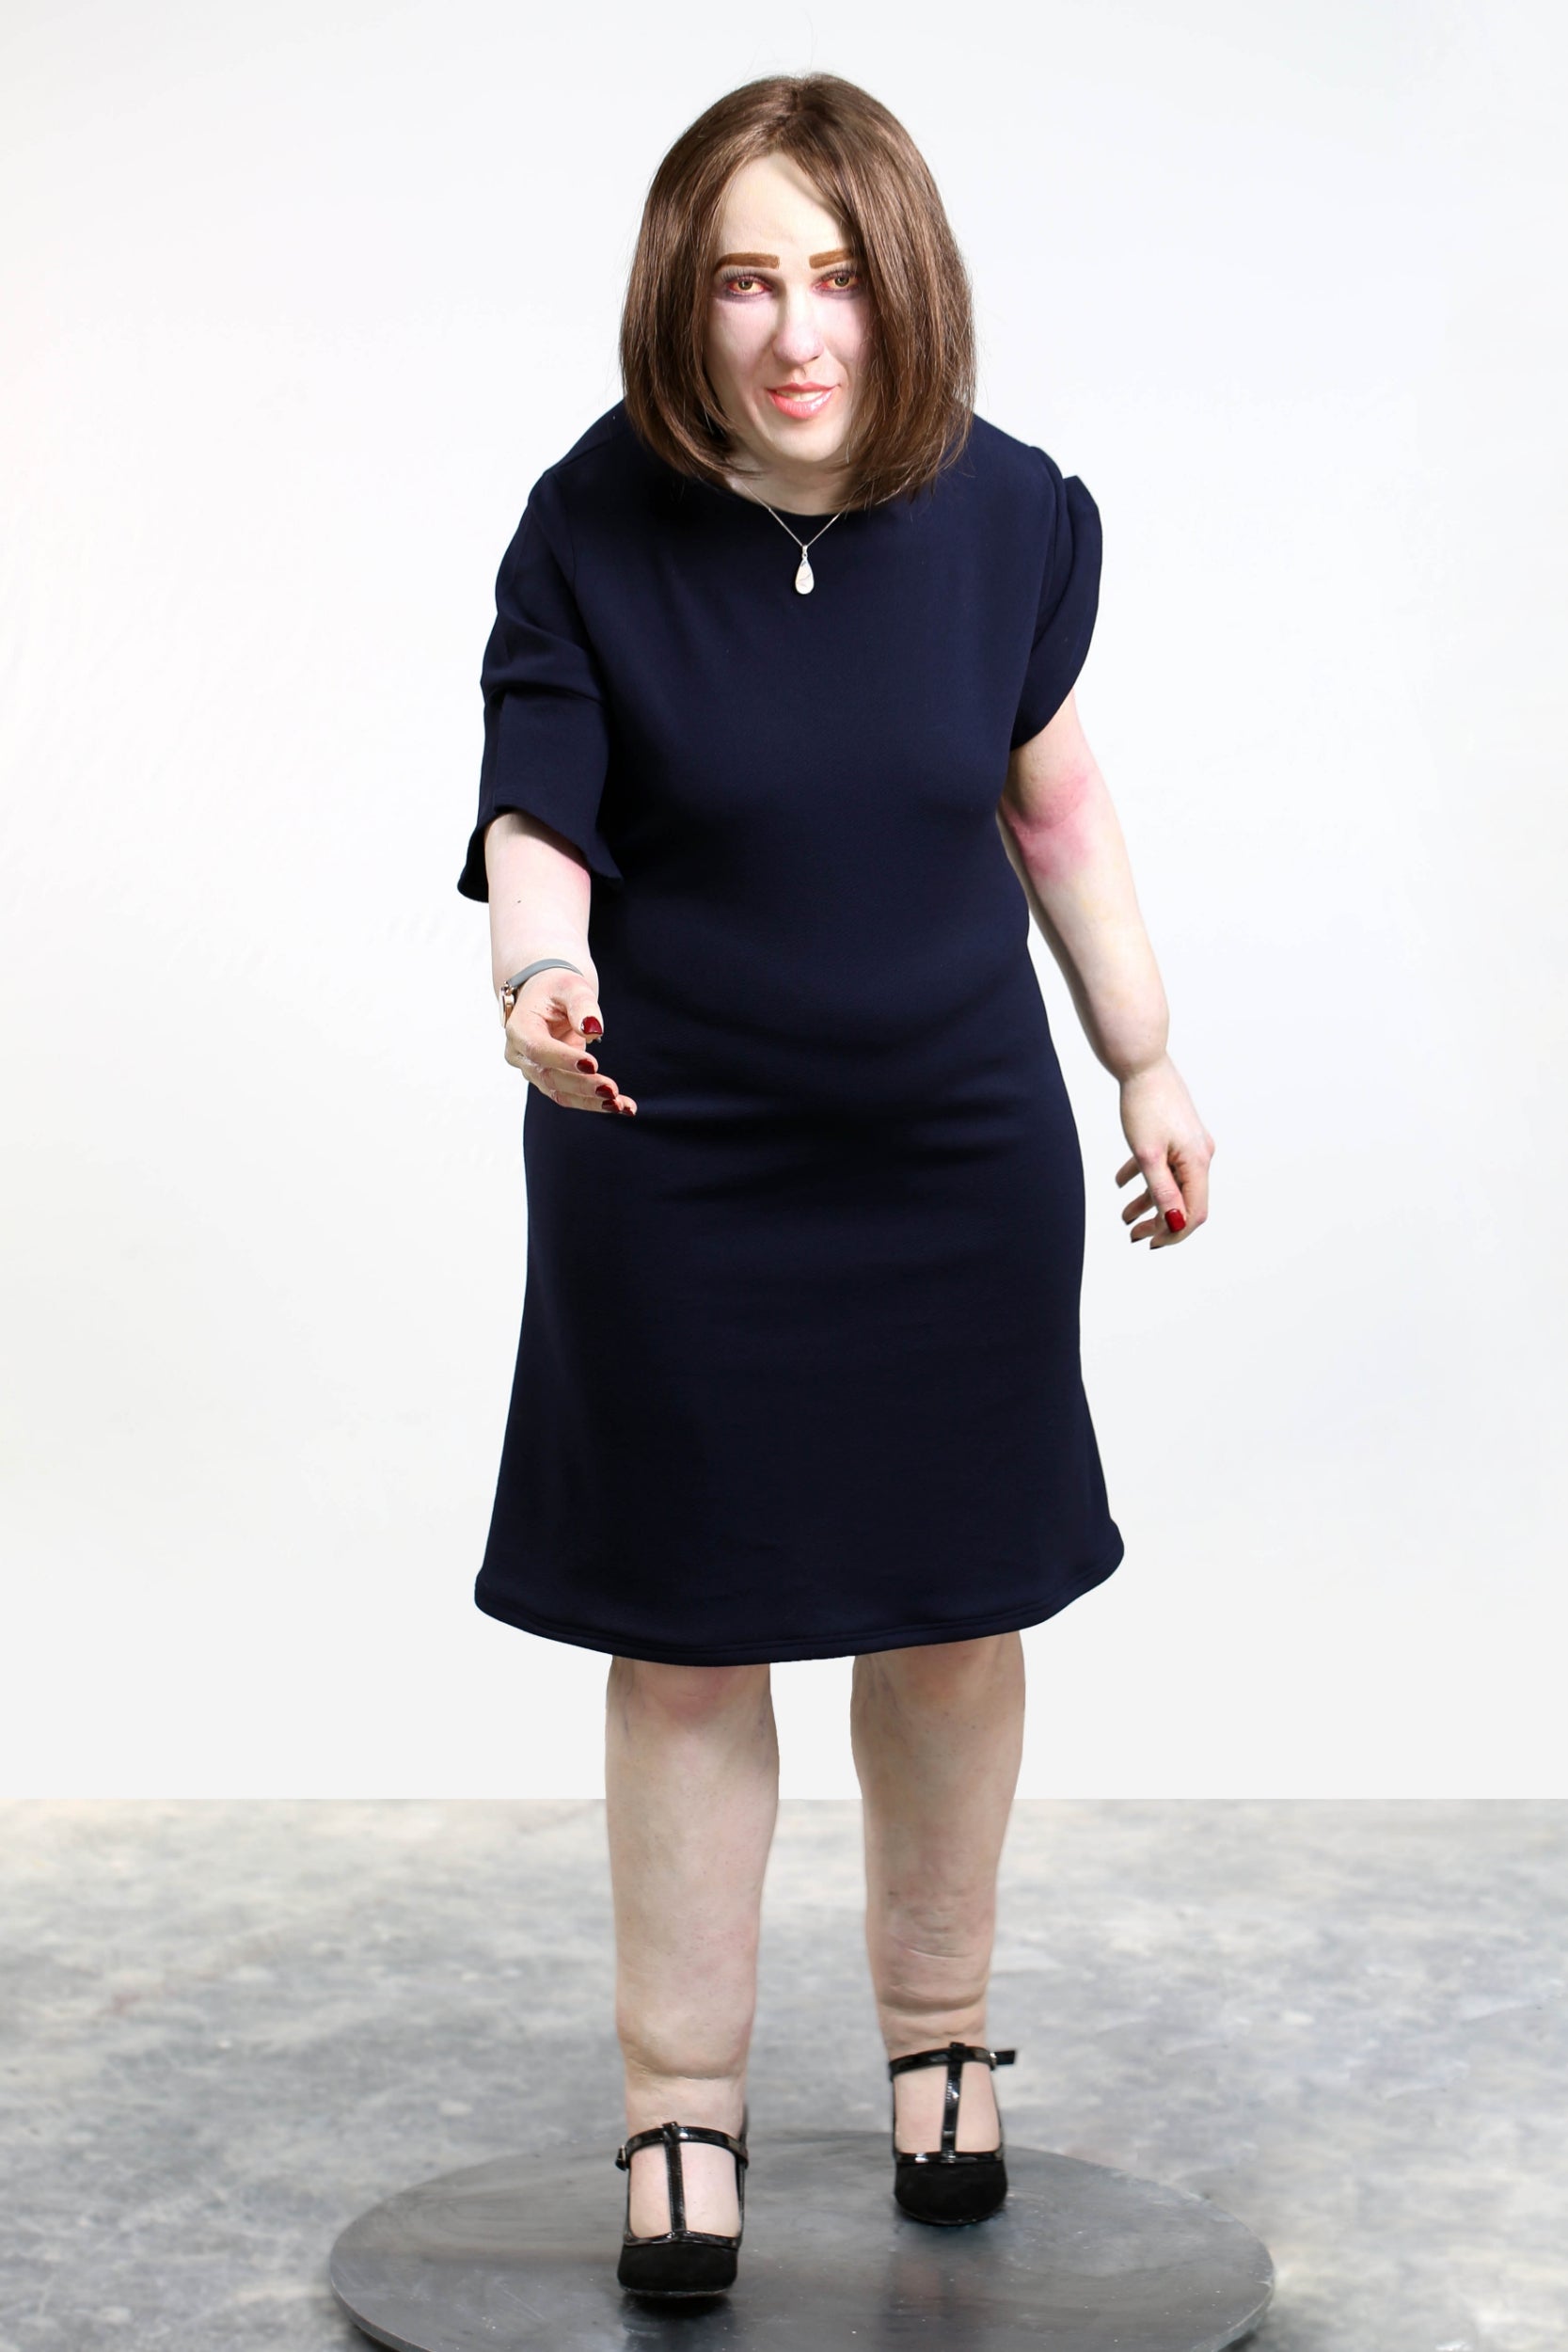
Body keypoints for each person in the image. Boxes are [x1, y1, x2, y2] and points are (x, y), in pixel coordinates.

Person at [457, 72, 1214, 2297]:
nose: (800, 331)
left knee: (953, 1608)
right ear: (681, 301)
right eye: (746, 282)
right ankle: (678, 2100)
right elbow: (537, 807)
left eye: (841, 277)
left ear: (908, 289)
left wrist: (1146, 1054)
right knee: (689, 1647)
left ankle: (942, 2039)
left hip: (951, 1149)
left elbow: (1053, 807)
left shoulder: (1016, 514)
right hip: (673, 1150)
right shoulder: (589, 521)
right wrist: (540, 975)